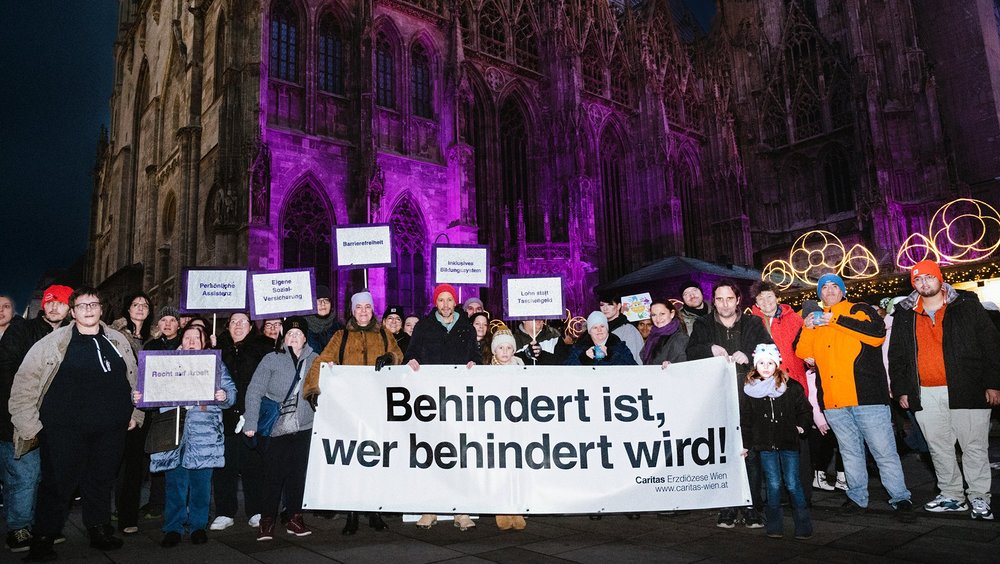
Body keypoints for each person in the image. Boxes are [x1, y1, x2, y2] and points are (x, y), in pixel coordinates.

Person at [11, 287, 144, 561]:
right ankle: (44, 538)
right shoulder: (52, 342)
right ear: (73, 312)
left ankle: (98, 530)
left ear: (101, 308)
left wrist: (136, 413)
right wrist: (30, 426)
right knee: (57, 484)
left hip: (110, 429)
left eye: (93, 304)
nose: (88, 309)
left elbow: (136, 380)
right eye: (81, 305)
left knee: (100, 481)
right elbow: (24, 384)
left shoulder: (117, 340)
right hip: (62, 430)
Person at [795, 273, 914, 522]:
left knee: (883, 450)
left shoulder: (857, 310)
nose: (828, 290)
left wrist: (835, 319)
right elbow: (803, 351)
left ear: (842, 290)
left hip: (867, 397)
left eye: (833, 286)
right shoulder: (815, 321)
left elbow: (875, 334)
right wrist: (807, 328)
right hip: (835, 401)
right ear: (819, 294)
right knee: (849, 452)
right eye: (823, 287)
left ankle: (900, 496)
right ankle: (857, 496)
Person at [889, 260, 1000, 520]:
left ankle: (979, 497)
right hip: (926, 392)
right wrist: (902, 389)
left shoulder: (966, 305)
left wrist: (993, 383)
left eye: (929, 277)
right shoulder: (905, 313)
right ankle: (952, 495)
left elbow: (991, 346)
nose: (924, 283)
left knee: (973, 446)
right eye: (918, 279)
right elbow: (897, 356)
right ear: (913, 284)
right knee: (938, 447)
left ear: (940, 279)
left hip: (967, 387)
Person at [303, 291, 402, 534]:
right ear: (353, 310)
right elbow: (322, 360)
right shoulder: (341, 335)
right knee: (353, 461)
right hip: (350, 408)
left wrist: (389, 356)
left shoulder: (383, 333)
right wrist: (313, 388)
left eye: (368, 307)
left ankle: (375, 512)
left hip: (376, 407)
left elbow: (399, 354)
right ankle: (352, 513)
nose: (364, 311)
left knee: (376, 459)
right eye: (359, 308)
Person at [137, 325, 235, 547]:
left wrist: (224, 395)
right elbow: (151, 391)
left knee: (201, 486)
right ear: (181, 341)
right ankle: (173, 527)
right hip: (175, 434)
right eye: (188, 337)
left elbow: (231, 394)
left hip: (204, 435)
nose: (192, 341)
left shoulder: (215, 364)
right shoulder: (167, 363)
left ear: (204, 343)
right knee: (175, 485)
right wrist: (140, 396)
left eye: (196, 338)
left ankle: (198, 526)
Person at [686, 279, 772, 529]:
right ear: (714, 301)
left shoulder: (753, 323)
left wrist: (751, 353)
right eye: (720, 299)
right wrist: (709, 348)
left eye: (729, 299)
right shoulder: (703, 324)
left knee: (751, 455)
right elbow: (691, 353)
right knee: (723, 454)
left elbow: (770, 350)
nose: (724, 304)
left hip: (749, 400)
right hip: (717, 400)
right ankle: (727, 507)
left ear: (737, 301)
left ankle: (752, 506)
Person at [0, 284, 72, 553]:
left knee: (49, 477)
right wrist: (21, 410)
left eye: (61, 302)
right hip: (21, 417)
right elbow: (6, 368)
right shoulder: (23, 330)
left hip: (58, 420)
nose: (54, 306)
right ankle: (19, 528)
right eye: (50, 301)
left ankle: (42, 526)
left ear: (69, 308)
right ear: (43, 304)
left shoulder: (72, 335)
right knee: (23, 475)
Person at [403, 284, 481, 531]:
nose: (446, 305)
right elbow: (411, 353)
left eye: (449, 300)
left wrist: (473, 363)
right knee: (432, 453)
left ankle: (461, 511)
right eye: (441, 300)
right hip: (431, 401)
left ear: (454, 301)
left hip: (458, 401)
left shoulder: (466, 328)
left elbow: (475, 356)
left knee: (459, 454)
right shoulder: (424, 327)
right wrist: (411, 360)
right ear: (435, 303)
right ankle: (430, 508)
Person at [244, 317, 318, 541]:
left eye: (298, 334)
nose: (294, 337)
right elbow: (254, 390)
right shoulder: (271, 359)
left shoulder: (316, 359)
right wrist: (251, 423)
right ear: (283, 338)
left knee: (298, 476)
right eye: (289, 334)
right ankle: (267, 521)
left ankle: (295, 517)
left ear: (305, 337)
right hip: (277, 428)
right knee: (273, 476)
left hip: (304, 427)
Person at [748, 281, 815, 502]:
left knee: (797, 440)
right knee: (770, 442)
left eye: (769, 297)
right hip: (765, 389)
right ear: (755, 302)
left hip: (793, 385)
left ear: (776, 296)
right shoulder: (751, 322)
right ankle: (778, 495)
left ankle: (801, 493)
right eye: (760, 299)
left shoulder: (794, 319)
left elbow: (806, 345)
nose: (765, 303)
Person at [741, 344, 813, 540]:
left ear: (777, 364)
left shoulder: (791, 387)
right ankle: (774, 526)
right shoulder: (750, 390)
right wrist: (746, 444)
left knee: (792, 483)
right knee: (773, 484)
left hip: (788, 442)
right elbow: (746, 420)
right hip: (765, 444)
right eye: (761, 363)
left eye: (770, 363)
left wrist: (801, 426)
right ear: (756, 365)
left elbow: (805, 410)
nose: (766, 367)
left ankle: (803, 524)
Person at [211, 312, 273, 531]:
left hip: (252, 415)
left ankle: (255, 509)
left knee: (252, 465)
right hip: (224, 416)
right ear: (228, 326)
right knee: (224, 465)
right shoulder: (218, 349)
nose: (238, 326)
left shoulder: (261, 348)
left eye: (243, 322)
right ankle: (224, 512)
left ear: (250, 326)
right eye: (234, 322)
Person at [113, 292, 156, 535]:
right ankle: (109, 513)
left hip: (145, 409)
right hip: (121, 407)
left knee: (134, 467)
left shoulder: (153, 338)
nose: (140, 308)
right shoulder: (115, 335)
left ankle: (128, 516)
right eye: (135, 304)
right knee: (114, 464)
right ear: (127, 309)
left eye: (145, 305)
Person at [489, 324, 527, 531]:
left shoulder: (523, 369)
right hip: (498, 426)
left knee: (517, 466)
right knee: (500, 467)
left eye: (508, 348)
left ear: (514, 350)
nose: (505, 352)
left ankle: (517, 508)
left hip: (517, 425)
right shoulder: (486, 372)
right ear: (495, 350)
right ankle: (501, 508)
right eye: (500, 348)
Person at [565, 312, 638, 366]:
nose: (599, 330)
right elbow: (567, 369)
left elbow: (632, 368)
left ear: (607, 329)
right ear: (589, 331)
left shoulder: (620, 346)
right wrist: (584, 358)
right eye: (595, 327)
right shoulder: (579, 348)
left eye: (602, 326)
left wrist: (611, 355)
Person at [598, 295, 644, 363]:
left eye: (610, 304)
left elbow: (634, 359)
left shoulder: (628, 330)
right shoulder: (597, 330)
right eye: (602, 305)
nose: (605, 308)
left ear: (619, 306)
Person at [640, 300, 688, 366]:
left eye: (662, 314)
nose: (658, 319)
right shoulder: (652, 336)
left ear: (672, 314)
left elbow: (681, 364)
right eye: (654, 315)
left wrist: (672, 365)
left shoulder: (680, 337)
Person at [304, 285, 343, 354]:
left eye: (326, 300)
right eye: (318, 300)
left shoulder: (339, 329)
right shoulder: (304, 328)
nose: (323, 304)